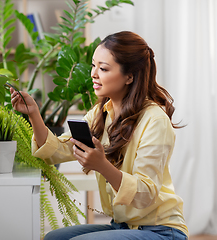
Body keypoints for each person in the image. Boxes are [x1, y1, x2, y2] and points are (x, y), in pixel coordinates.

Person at [10, 31, 188, 240]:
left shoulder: (155, 120)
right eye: (94, 65)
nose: (93, 74)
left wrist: (102, 165)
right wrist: (34, 114)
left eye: (103, 68)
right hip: (122, 226)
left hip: (161, 230)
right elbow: (55, 152)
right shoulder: (100, 113)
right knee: (54, 238)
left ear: (130, 76)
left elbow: (145, 195)